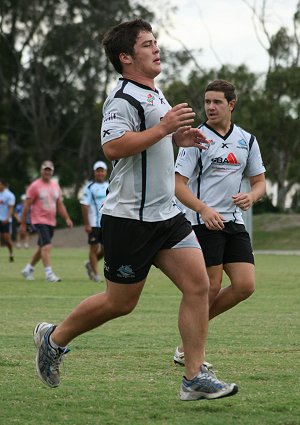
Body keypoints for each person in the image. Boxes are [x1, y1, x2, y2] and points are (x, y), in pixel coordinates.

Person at [32, 19, 238, 401]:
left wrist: (178, 137)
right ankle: (54, 338)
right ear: (126, 57)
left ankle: (193, 377)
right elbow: (113, 148)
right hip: (128, 218)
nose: (156, 48)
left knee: (199, 286)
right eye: (147, 44)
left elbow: (150, 140)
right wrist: (164, 130)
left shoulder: (155, 94)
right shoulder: (122, 98)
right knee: (120, 303)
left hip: (166, 214)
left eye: (155, 41)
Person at [173, 79, 266, 366]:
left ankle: (186, 339)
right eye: (207, 102)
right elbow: (177, 185)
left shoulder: (246, 140)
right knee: (210, 287)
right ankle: (189, 351)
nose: (210, 107)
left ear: (231, 105)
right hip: (204, 224)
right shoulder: (196, 138)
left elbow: (260, 182)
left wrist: (251, 196)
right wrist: (203, 210)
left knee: (245, 285)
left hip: (234, 223)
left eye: (217, 102)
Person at [20, 160, 73, 282]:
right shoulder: (35, 186)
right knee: (47, 246)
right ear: (41, 171)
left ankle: (28, 269)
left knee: (42, 247)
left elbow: (59, 204)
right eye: (45, 169)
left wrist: (67, 218)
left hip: (51, 221)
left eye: (49, 170)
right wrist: (23, 223)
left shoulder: (55, 186)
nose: (47, 172)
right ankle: (49, 274)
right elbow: (27, 206)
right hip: (39, 220)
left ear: (52, 172)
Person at [80, 160, 109, 282]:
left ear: (106, 172)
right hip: (93, 223)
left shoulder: (110, 186)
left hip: (106, 222)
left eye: (102, 171)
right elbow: (84, 205)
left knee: (105, 249)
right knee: (93, 248)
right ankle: (95, 274)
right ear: (94, 172)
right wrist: (87, 223)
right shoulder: (89, 187)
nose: (100, 173)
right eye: (98, 171)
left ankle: (90, 264)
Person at [0, 178, 16, 262]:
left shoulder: (10, 195)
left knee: (6, 239)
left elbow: (10, 208)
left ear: (3, 185)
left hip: (5, 219)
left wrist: (7, 218)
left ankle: (11, 253)